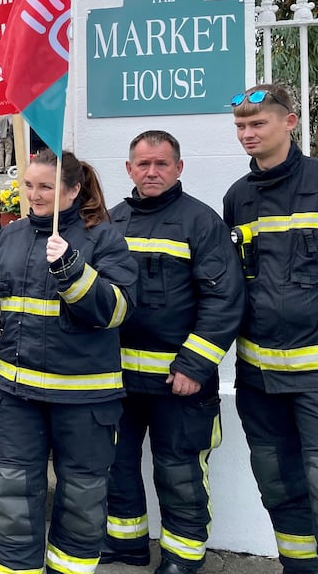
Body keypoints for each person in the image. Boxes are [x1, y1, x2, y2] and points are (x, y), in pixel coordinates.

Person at [0, 149, 137, 574]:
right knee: (10, 496)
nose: (34, 195)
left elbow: (116, 311)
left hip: (84, 401)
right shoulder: (10, 235)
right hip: (16, 396)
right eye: (28, 185)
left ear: (73, 190)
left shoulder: (104, 238)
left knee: (82, 499)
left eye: (45, 186)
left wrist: (71, 270)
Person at [104, 131, 244, 574]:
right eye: (143, 164)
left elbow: (224, 301)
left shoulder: (201, 223)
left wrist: (196, 366)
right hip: (118, 380)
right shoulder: (112, 222)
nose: (151, 172)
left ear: (179, 168)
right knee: (116, 464)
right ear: (129, 169)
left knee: (179, 470)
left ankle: (184, 556)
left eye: (161, 164)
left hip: (178, 382)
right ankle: (125, 543)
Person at [223, 83, 318, 574]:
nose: (247, 133)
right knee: (277, 482)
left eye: (257, 123)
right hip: (258, 378)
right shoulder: (237, 198)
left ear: (290, 122)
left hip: (313, 377)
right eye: (240, 125)